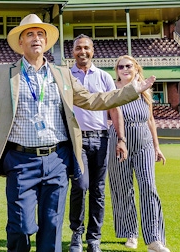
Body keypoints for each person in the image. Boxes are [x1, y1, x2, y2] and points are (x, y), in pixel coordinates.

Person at [0, 14, 155, 252]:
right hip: (20, 161)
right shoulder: (3, 73)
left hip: (57, 159)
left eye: (40, 34)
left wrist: (131, 90)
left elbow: (93, 100)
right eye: (30, 34)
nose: (36, 38)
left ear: (46, 41)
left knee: (52, 227)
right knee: (20, 228)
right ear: (20, 42)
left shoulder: (62, 74)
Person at [67, 35, 127, 252]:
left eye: (86, 48)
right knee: (80, 187)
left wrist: (121, 139)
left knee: (98, 191)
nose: (82, 52)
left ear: (93, 51)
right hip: (76, 140)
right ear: (72, 52)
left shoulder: (104, 77)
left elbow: (114, 109)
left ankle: (94, 239)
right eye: (78, 48)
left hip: (101, 138)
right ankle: (76, 236)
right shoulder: (66, 77)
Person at [107, 55, 170, 252]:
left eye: (129, 66)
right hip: (119, 140)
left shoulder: (145, 91)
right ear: (116, 71)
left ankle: (154, 239)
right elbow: (113, 116)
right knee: (122, 188)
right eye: (120, 67)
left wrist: (157, 147)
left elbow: (150, 120)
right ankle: (130, 233)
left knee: (149, 187)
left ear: (136, 68)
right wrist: (121, 140)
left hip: (144, 141)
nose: (125, 69)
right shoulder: (113, 90)